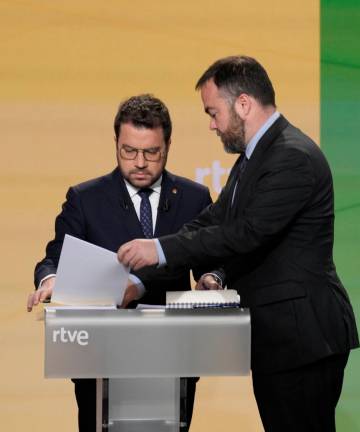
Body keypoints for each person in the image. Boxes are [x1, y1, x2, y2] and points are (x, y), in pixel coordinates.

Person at [117, 56, 359, 432]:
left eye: (213, 112)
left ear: (243, 104)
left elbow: (248, 232)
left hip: (303, 340)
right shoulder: (255, 157)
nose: (212, 124)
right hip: (280, 341)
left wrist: (159, 251)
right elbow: (215, 220)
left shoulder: (290, 156)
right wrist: (169, 259)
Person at [28, 94, 212, 431]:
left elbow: (211, 263)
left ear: (168, 145)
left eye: (151, 152)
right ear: (116, 143)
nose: (140, 162)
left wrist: (212, 278)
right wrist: (51, 279)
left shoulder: (193, 199)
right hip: (100, 360)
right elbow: (53, 258)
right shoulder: (85, 199)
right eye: (129, 151)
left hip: (171, 359)